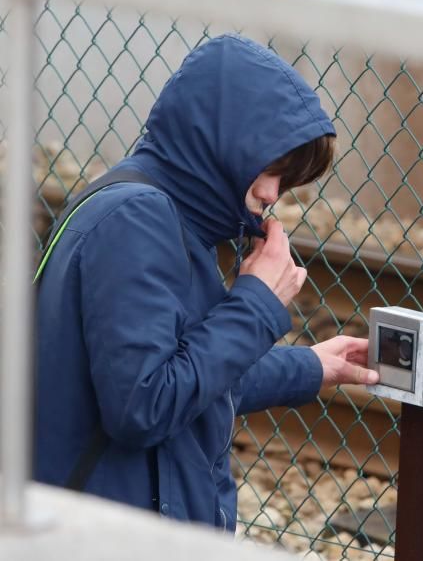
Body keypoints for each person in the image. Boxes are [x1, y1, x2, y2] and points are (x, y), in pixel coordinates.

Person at [33, 34, 379, 531]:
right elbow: (144, 404)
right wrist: (257, 302)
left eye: (284, 181)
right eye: (267, 169)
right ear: (216, 141)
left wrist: (309, 366)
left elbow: (190, 372)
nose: (269, 194)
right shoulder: (139, 219)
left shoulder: (155, 210)